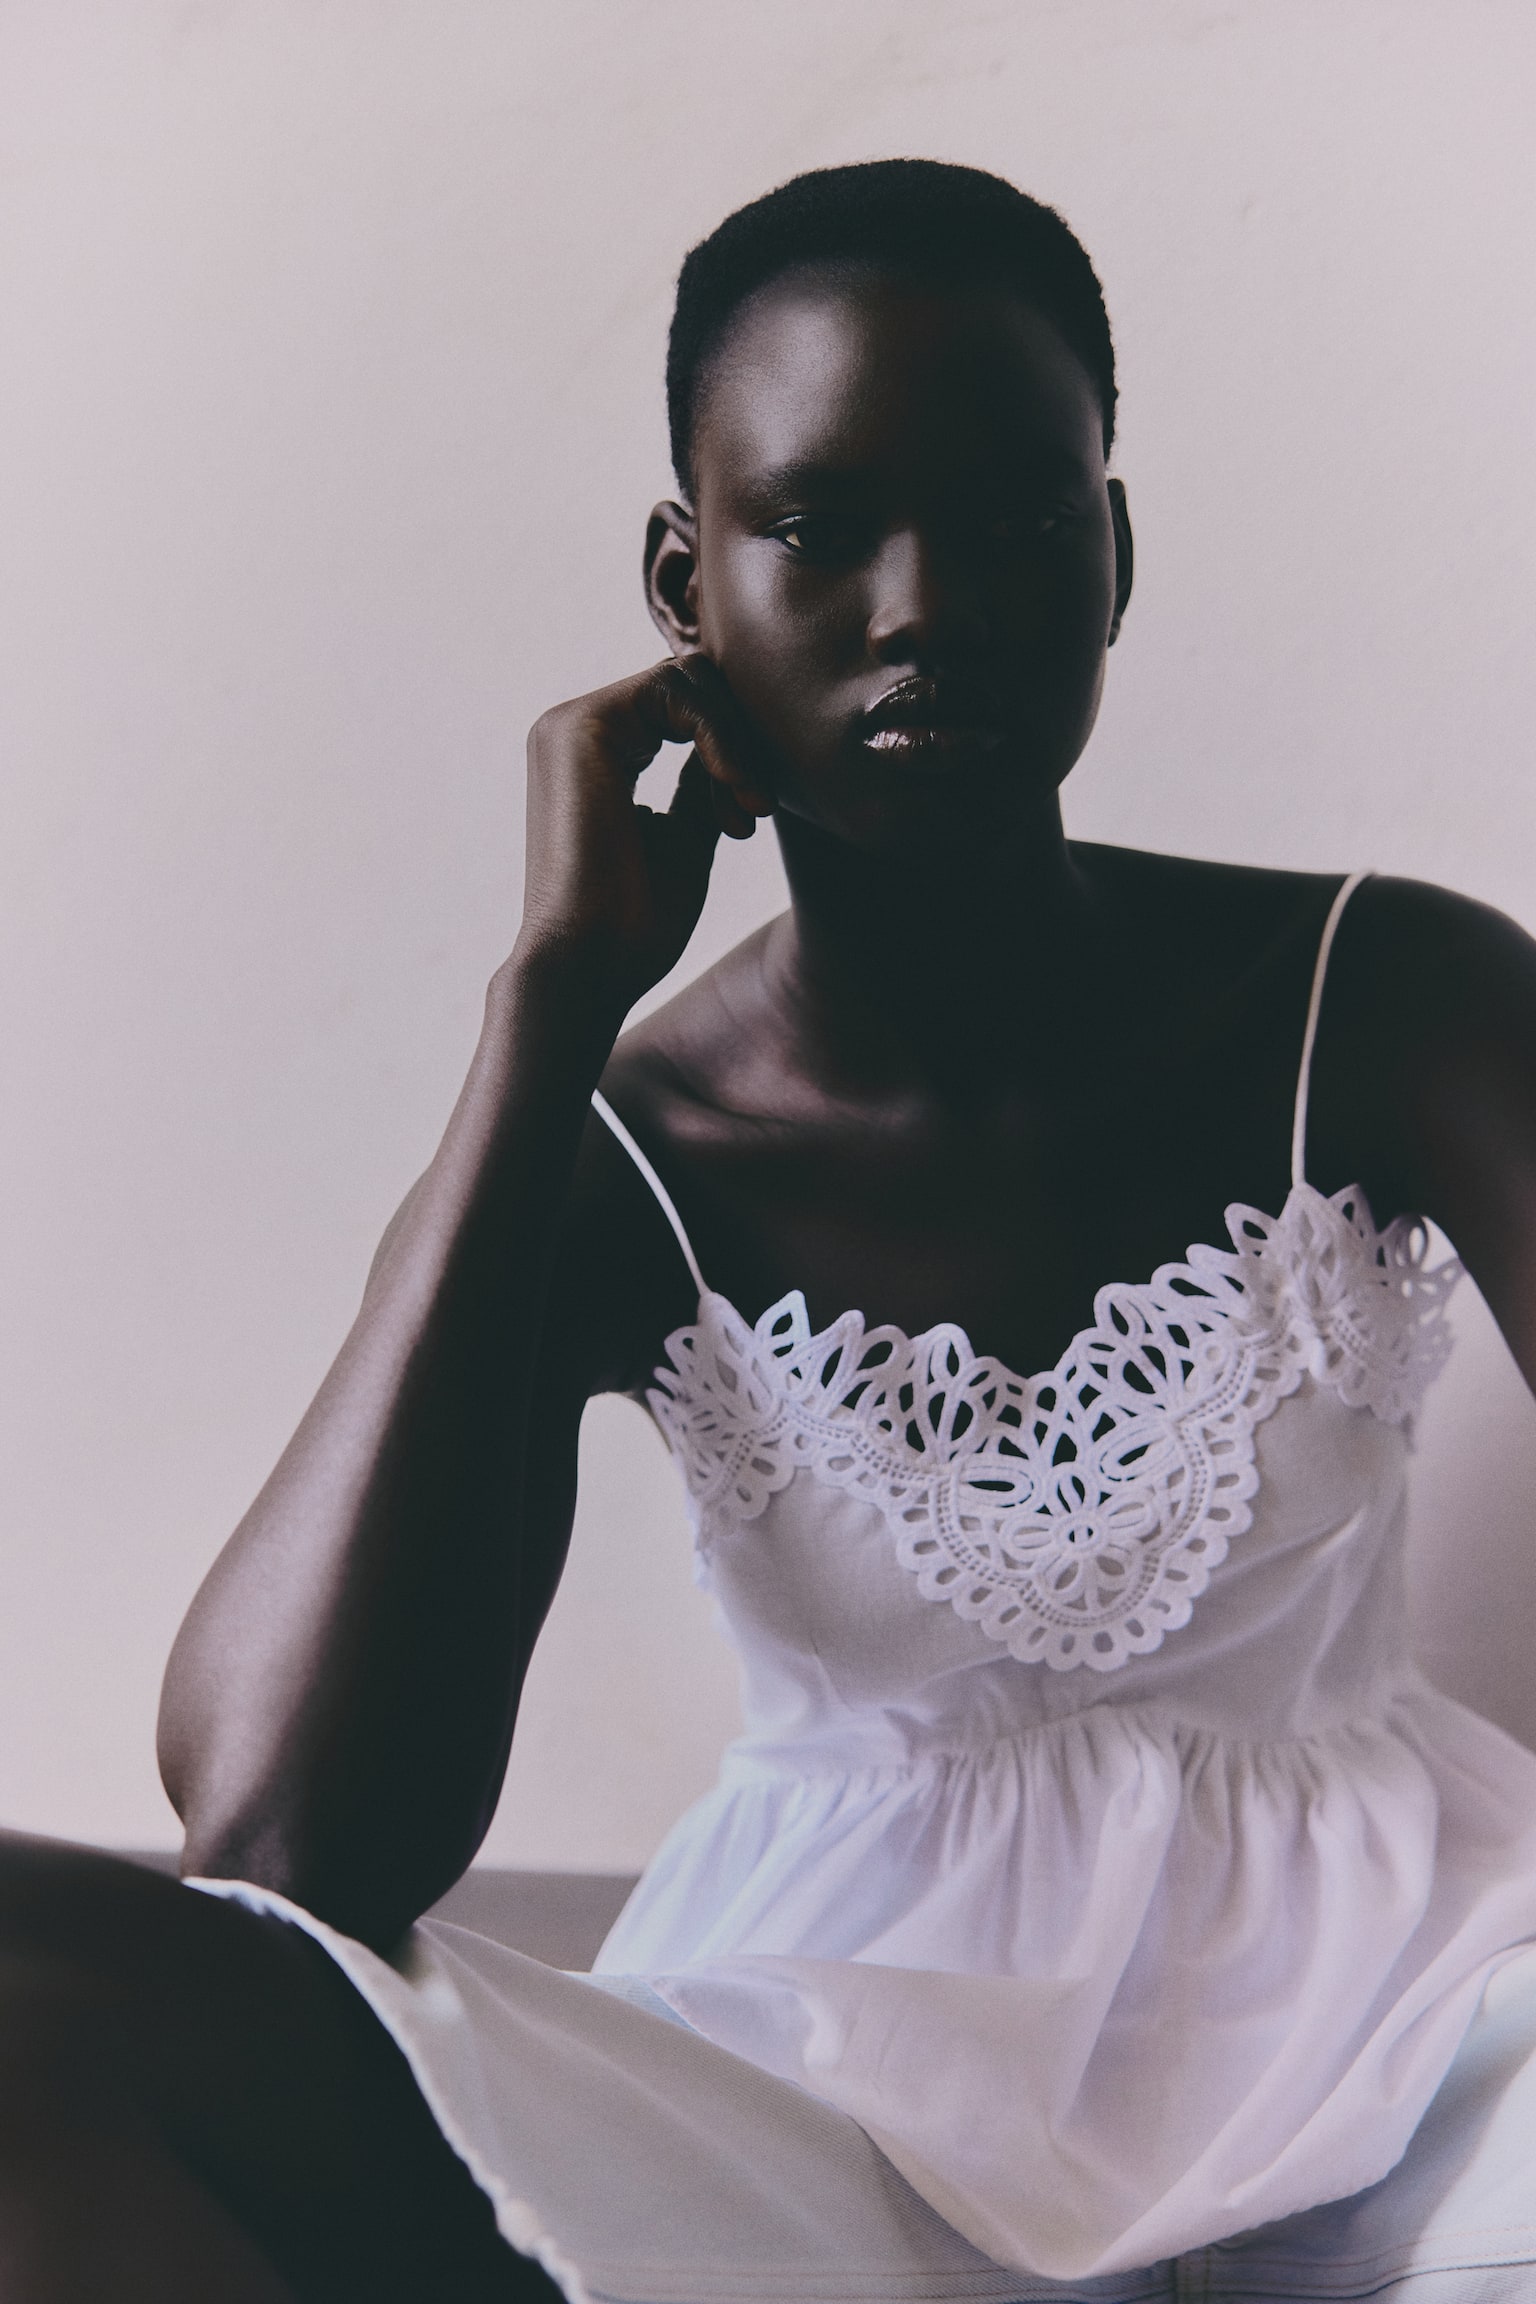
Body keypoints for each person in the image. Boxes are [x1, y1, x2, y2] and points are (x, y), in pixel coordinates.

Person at [7, 156, 1536, 2303]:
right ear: (684, 580)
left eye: (1017, 520)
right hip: (843, 2111)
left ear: (1116, 558)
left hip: (1410, 2046)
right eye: (820, 526)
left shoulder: (1395, 999)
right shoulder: (626, 1150)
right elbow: (277, 1845)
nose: (925, 606)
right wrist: (549, 1012)